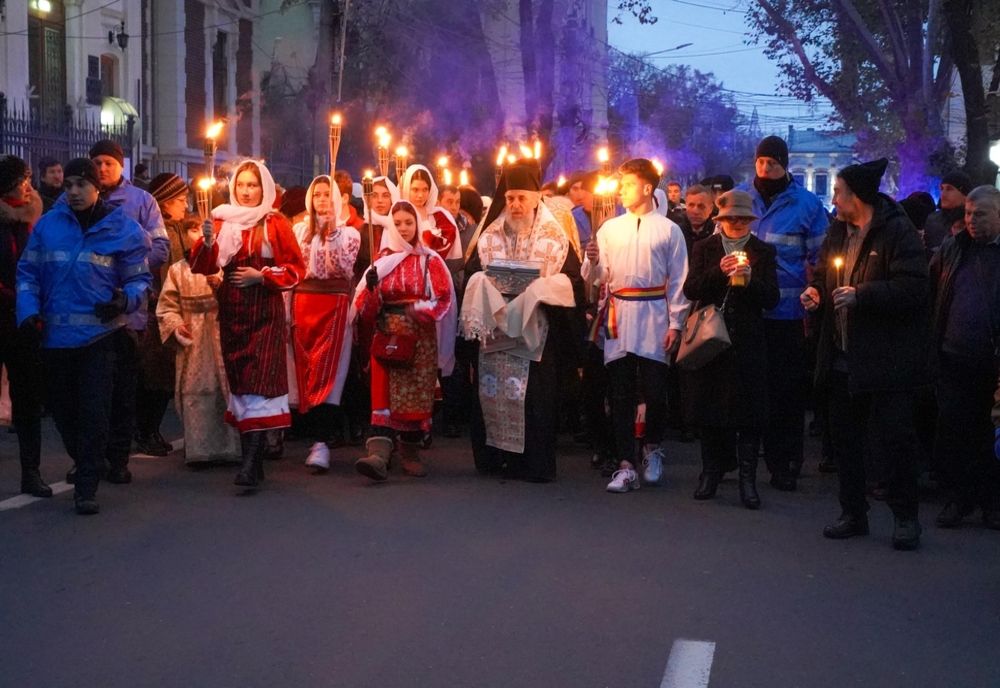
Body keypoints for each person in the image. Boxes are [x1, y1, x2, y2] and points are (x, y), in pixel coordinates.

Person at [802, 158, 929, 551]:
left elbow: (913, 289)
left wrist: (864, 295)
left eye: (838, 192)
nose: (833, 199)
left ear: (857, 196)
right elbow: (825, 271)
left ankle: (906, 518)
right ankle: (853, 513)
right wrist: (817, 293)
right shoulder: (838, 231)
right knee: (846, 442)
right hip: (842, 356)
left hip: (886, 359)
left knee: (894, 440)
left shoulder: (896, 231)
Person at [16, 158, 152, 514]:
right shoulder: (47, 227)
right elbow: (27, 274)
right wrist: (28, 312)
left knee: (93, 412)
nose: (74, 191)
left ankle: (86, 487)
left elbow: (140, 279)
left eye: (81, 185)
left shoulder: (122, 228)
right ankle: (86, 459)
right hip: (55, 339)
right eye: (69, 185)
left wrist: (126, 299)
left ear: (97, 188)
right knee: (63, 414)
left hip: (100, 339)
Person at [461, 159, 583, 482]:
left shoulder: (555, 237)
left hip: (536, 331)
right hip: (496, 330)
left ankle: (533, 464)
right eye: (511, 198)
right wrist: (484, 284)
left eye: (521, 199)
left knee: (533, 399)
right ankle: (493, 459)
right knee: (492, 392)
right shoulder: (489, 236)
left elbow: (573, 280)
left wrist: (545, 288)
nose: (515, 205)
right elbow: (472, 272)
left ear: (536, 199)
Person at [189, 159, 305, 490]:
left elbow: (296, 269)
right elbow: (203, 266)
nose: (246, 191)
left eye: (252, 185)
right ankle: (251, 459)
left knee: (259, 381)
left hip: (265, 311)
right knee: (240, 381)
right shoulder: (221, 219)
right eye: (241, 185)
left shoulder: (275, 223)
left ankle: (251, 464)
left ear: (263, 187)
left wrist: (262, 275)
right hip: (233, 310)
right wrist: (207, 242)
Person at [582, 158, 689, 493]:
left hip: (654, 314)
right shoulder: (610, 229)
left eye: (628, 184)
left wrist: (676, 321)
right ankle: (625, 463)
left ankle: (652, 447)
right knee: (620, 393)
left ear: (646, 187)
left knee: (656, 392)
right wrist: (592, 260)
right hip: (619, 315)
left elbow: (678, 280)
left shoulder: (669, 229)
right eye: (621, 184)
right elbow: (598, 279)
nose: (622, 190)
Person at [740, 135, 828, 491]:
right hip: (746, 312)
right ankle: (744, 460)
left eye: (772, 163)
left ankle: (785, 462)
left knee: (785, 394)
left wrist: (816, 289)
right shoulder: (742, 198)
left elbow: (821, 259)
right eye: (761, 162)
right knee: (748, 391)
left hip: (787, 314)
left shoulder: (806, 204)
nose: (765, 169)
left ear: (784, 164)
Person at [683, 190, 780, 507]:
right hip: (712, 342)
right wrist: (719, 272)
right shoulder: (705, 248)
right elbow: (691, 288)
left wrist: (750, 279)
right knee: (709, 409)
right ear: (720, 220)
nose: (736, 223)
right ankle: (710, 473)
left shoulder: (762, 251)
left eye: (742, 218)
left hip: (749, 340)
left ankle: (748, 481)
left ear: (750, 221)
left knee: (750, 413)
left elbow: (772, 299)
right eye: (730, 218)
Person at [84, 139, 169, 485]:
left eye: (108, 162)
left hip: (127, 313)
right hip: (88, 312)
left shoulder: (142, 201)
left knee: (121, 391)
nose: (102, 169)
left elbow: (161, 247)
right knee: (91, 393)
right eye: (97, 163)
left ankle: (117, 457)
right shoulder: (79, 200)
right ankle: (89, 456)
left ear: (121, 165)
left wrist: (128, 271)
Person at [353, 200, 456, 480]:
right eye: (397, 223)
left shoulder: (430, 260)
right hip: (387, 335)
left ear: (416, 224)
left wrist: (421, 310)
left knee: (412, 396)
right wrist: (372, 288)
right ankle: (379, 454)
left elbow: (444, 298)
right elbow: (365, 308)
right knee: (383, 394)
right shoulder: (382, 260)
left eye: (408, 222)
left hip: (418, 337)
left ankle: (409, 452)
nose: (403, 228)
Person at [929, 185, 1000, 529]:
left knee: (990, 433)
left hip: (993, 360)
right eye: (968, 214)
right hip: (954, 355)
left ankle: (991, 501)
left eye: (980, 214)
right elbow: (930, 288)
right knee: (956, 430)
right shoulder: (954, 248)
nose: (971, 221)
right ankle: (958, 499)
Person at [290, 175, 360, 471]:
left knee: (332, 372)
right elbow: (295, 270)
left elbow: (343, 269)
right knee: (306, 371)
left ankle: (322, 442)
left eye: (326, 194)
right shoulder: (298, 231)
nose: (321, 199)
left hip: (335, 307)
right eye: (317, 194)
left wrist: (332, 235)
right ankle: (311, 435)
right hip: (304, 306)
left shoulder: (350, 235)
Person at [156, 218, 240, 464]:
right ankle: (199, 449)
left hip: (221, 330)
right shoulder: (178, 269)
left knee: (227, 389)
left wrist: (221, 288)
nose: (199, 235)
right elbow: (166, 306)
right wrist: (175, 326)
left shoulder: (226, 267)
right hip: (194, 337)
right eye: (192, 230)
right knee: (195, 391)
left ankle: (231, 447)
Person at [134, 173, 192, 456]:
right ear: (165, 203)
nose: (185, 205)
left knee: (167, 375)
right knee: (154, 376)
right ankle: (146, 430)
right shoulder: (158, 233)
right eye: (181, 201)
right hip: (158, 308)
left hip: (177, 307)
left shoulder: (181, 228)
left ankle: (150, 429)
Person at [0, 155, 48, 497]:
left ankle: (31, 471)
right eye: (21, 180)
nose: (28, 186)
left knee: (28, 398)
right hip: (2, 313)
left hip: (27, 321)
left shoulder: (38, 221)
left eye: (29, 179)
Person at [400, 164, 461, 261]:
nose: (420, 195)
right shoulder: (395, 215)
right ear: (406, 189)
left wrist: (424, 221)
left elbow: (440, 251)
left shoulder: (439, 215)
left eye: (425, 189)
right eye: (415, 190)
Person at [924, 171, 972, 252]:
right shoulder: (932, 220)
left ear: (964, 194)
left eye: (949, 189)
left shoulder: (973, 220)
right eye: (942, 189)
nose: (943, 194)